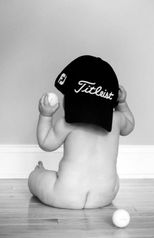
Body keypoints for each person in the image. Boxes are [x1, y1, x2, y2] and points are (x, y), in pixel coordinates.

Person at [28, 55, 135, 209]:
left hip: (66, 194)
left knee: (36, 178)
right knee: (109, 180)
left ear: (70, 99)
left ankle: (38, 173)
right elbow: (130, 126)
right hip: (106, 194)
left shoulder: (67, 123)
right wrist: (123, 104)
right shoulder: (117, 119)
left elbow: (46, 143)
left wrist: (45, 115)